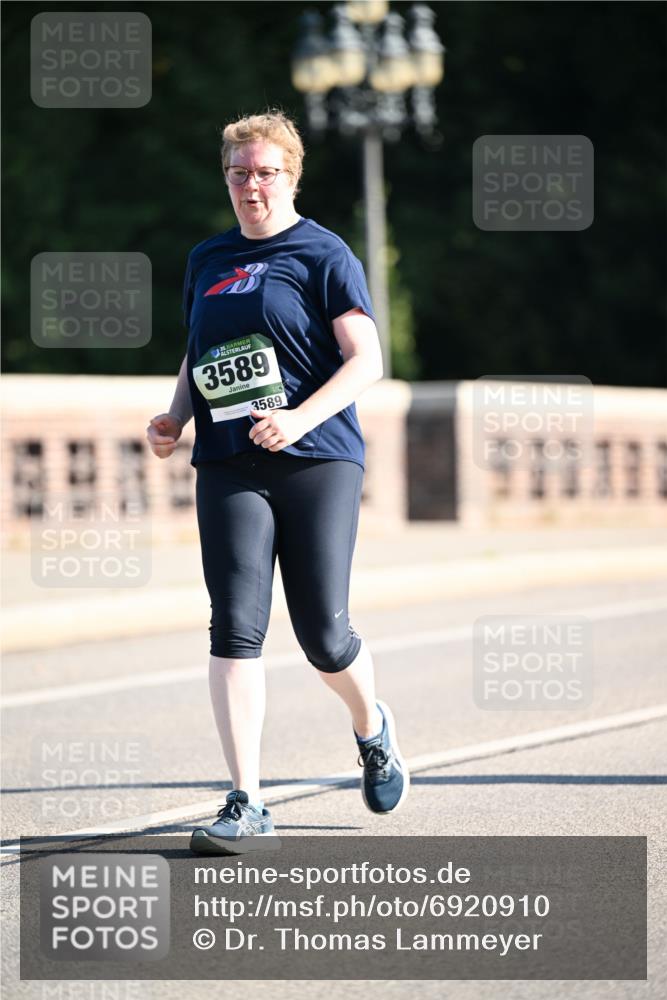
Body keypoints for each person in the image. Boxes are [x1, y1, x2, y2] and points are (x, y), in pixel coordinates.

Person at [146, 110, 409, 855]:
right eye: (238, 173)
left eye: (265, 172)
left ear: (290, 176)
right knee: (233, 625)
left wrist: (297, 419)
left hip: (318, 456)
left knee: (323, 634)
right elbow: (198, 350)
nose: (251, 185)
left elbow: (366, 361)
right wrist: (173, 419)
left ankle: (372, 729)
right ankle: (246, 800)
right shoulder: (207, 257)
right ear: (225, 177)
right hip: (229, 462)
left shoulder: (322, 253)